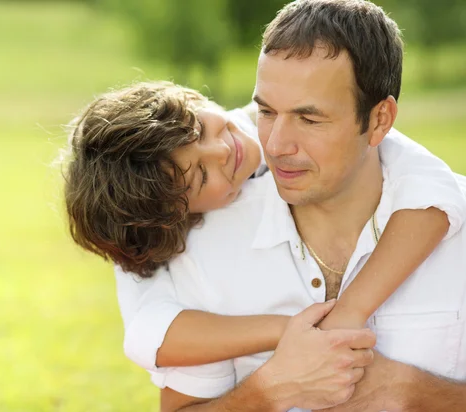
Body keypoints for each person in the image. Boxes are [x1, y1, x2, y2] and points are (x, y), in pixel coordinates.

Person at [108, 1, 466, 410]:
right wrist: (272, 388)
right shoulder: (199, 243)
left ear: (381, 120)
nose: (275, 145)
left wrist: (416, 393)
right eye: (266, 111)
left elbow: (431, 186)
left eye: (309, 119)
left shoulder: (446, 212)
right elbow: (148, 332)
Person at [65, 79, 464, 369]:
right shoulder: (158, 225)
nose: (222, 149)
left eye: (199, 128)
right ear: (181, 218)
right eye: (202, 177)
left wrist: (350, 311)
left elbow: (435, 192)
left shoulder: (287, 120)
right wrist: (287, 330)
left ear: (190, 96)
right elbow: (148, 335)